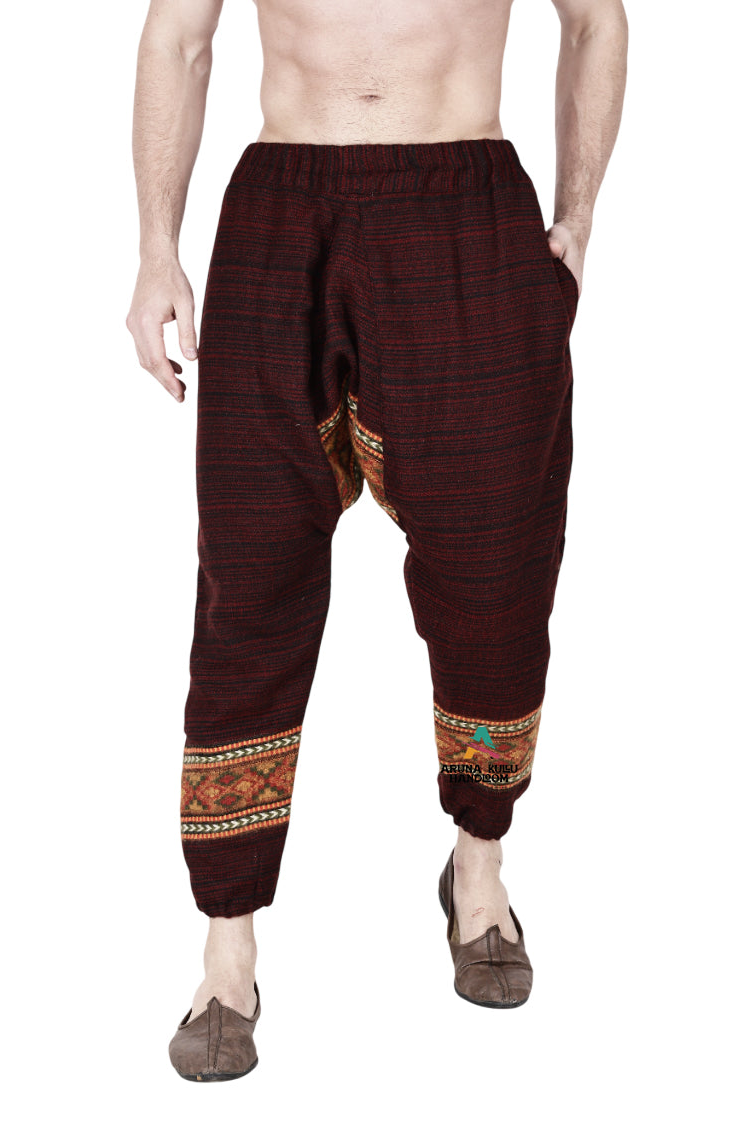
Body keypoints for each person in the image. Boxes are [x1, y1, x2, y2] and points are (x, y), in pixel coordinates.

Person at [126, 0, 628, 1081]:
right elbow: (177, 39)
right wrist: (157, 249)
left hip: (468, 209)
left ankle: (479, 871)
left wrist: (578, 219)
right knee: (249, 580)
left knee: (495, 576)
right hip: (280, 209)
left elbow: (594, 19)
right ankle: (227, 947)